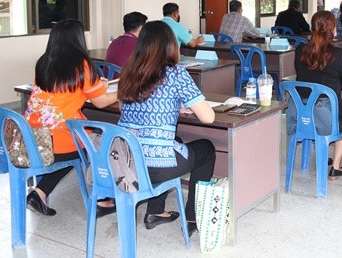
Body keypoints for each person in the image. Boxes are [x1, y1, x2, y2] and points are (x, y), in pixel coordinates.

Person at [118, 21, 216, 236]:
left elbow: (129, 107)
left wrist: (171, 106)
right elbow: (208, 117)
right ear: (171, 45)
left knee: (176, 142)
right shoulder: (176, 73)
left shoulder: (128, 72)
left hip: (126, 162)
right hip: (154, 166)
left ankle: (156, 212)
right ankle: (192, 217)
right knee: (206, 149)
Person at [24, 19, 118, 217]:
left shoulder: (44, 62)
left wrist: (95, 85)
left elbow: (63, 90)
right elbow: (101, 102)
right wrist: (124, 91)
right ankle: (100, 199)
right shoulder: (82, 65)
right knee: (97, 144)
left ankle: (39, 193)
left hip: (31, 136)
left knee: (80, 146)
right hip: (56, 140)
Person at [291, 10, 342, 179]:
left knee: (323, 114)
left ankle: (322, 151)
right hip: (326, 114)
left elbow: (305, 74)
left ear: (312, 29)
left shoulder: (300, 51)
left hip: (303, 114)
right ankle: (335, 167)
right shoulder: (339, 55)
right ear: (333, 30)